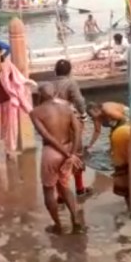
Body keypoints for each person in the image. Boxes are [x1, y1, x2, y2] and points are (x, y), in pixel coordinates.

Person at [29, 83, 84, 235]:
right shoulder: (67, 107)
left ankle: (57, 225)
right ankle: (75, 219)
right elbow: (77, 130)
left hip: (51, 152)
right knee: (64, 187)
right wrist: (72, 153)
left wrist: (66, 154)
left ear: (40, 95)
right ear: (55, 93)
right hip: (68, 149)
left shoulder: (35, 112)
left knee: (48, 189)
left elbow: (46, 136)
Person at [0, 44, 34, 160]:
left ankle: (10, 150)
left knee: (11, 125)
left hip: (7, 98)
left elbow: (18, 78)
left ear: (0, 53)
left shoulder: (7, 64)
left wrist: (26, 82)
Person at [52, 59, 89, 196]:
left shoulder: (49, 84)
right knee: (76, 152)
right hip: (69, 120)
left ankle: (60, 193)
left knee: (58, 154)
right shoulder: (71, 83)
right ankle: (79, 188)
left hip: (53, 122)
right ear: (69, 71)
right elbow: (79, 101)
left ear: (55, 71)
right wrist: (83, 115)